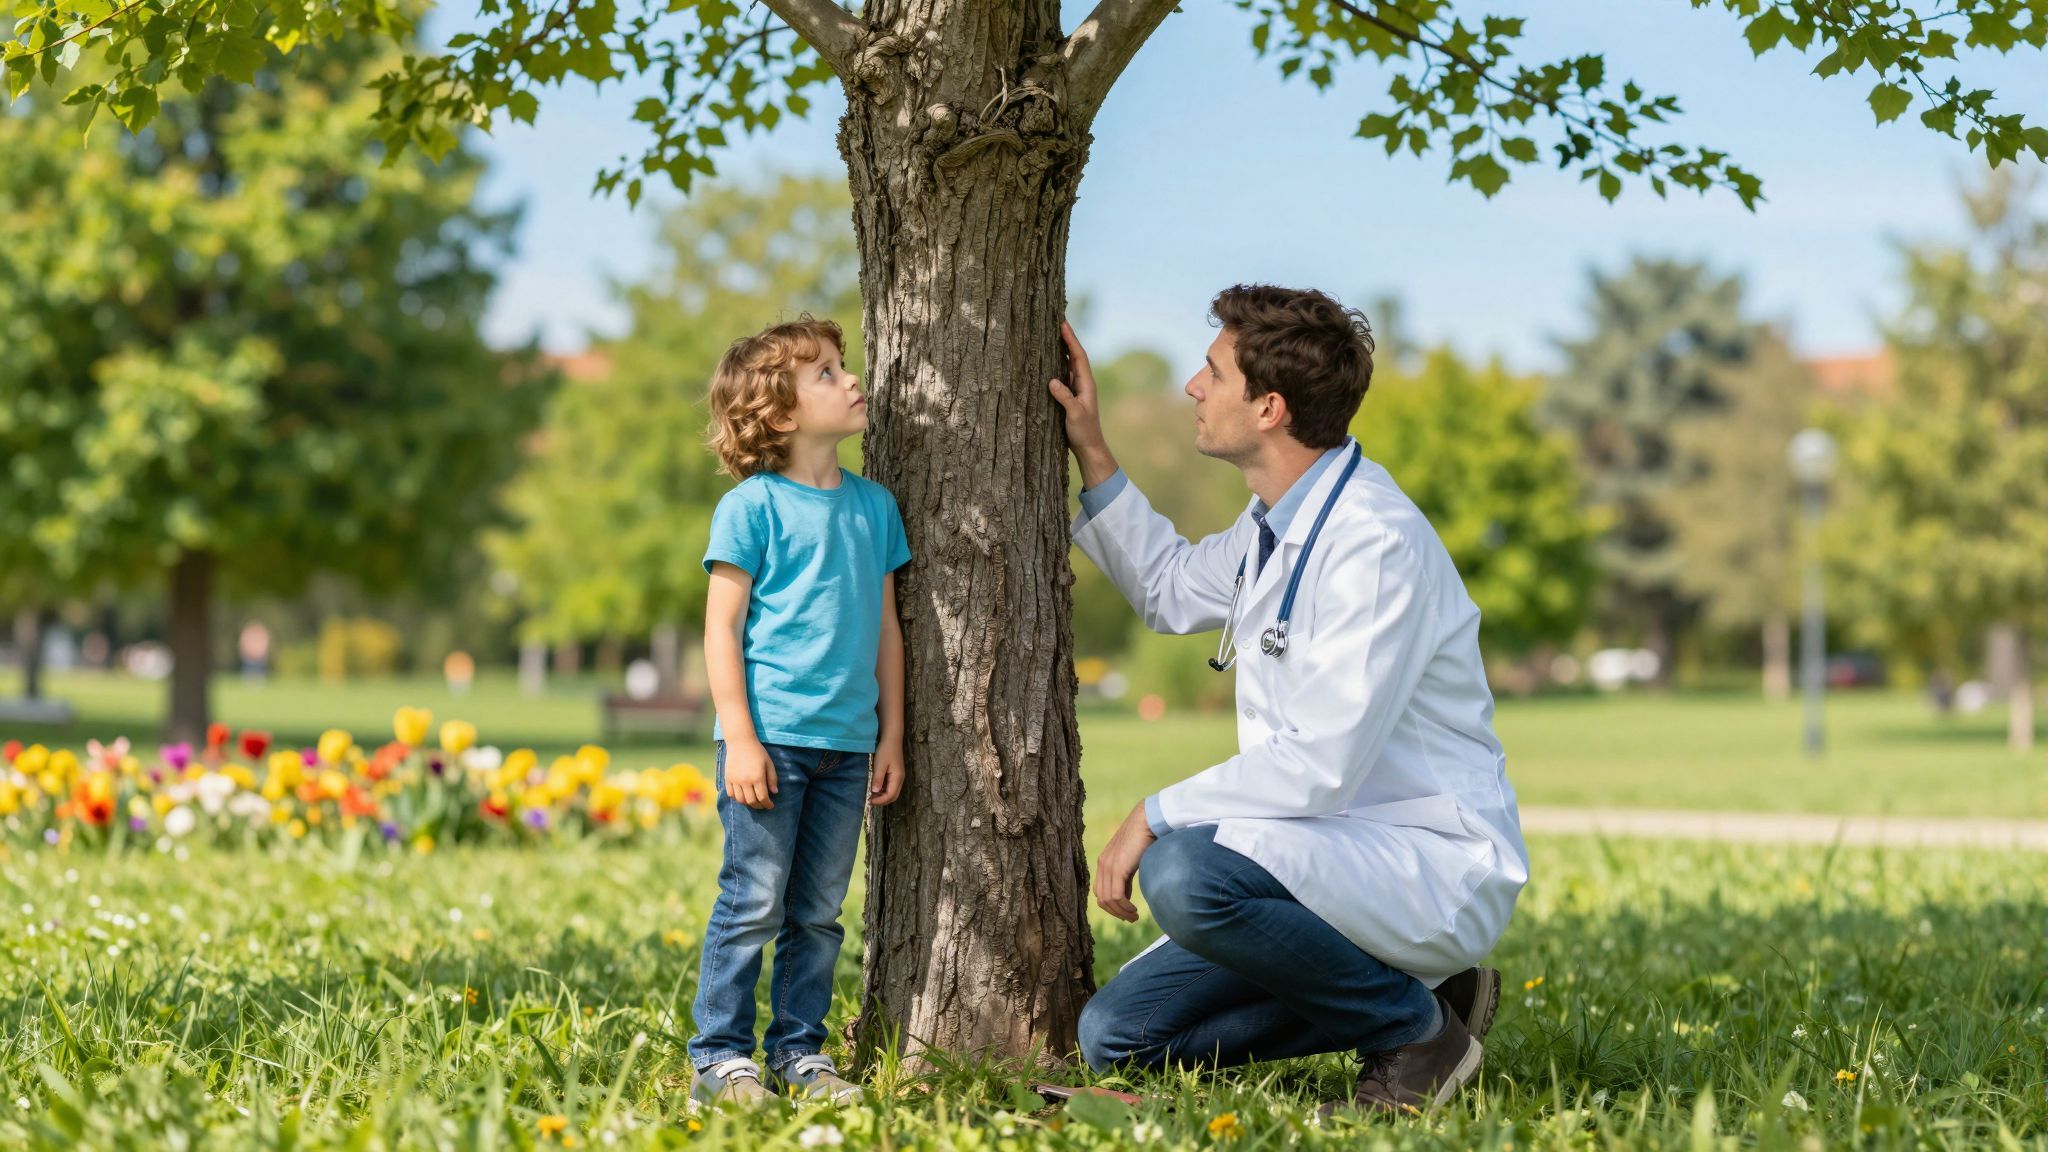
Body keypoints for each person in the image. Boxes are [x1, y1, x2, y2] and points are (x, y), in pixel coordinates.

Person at [1049, 286, 1530, 1114]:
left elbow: (1321, 764)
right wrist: (1091, 449)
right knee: (1117, 1037)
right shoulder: (1273, 522)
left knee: (1187, 874)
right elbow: (1167, 588)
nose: (1194, 389)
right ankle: (1433, 997)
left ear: (1269, 407)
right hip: (1324, 862)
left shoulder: (1373, 541)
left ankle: (1413, 1037)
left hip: (1422, 859)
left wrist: (1154, 812)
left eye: (1212, 373)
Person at [686, 316, 911, 1108]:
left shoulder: (875, 507)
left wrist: (893, 732)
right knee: (753, 899)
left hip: (848, 745)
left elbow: (887, 626)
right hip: (769, 742)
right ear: (781, 415)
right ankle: (718, 1058)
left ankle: (799, 1054)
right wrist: (740, 737)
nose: (851, 380)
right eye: (826, 374)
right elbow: (722, 627)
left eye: (842, 368)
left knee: (817, 913)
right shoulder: (751, 508)